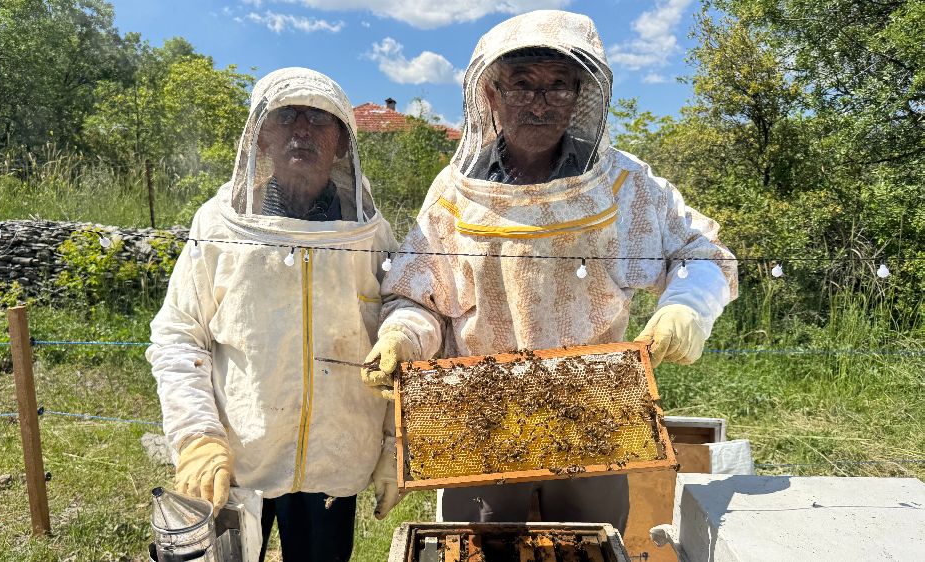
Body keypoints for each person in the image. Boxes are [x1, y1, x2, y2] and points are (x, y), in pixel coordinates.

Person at [361, 10, 738, 530]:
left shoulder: (624, 185)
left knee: (589, 540)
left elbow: (705, 255)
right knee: (486, 542)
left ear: (581, 95)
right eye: (521, 84)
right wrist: (402, 335)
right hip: (481, 416)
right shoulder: (453, 194)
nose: (539, 102)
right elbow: (419, 298)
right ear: (491, 95)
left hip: (597, 411)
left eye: (558, 85)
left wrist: (686, 308)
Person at [147, 67, 399, 562]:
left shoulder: (371, 236)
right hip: (240, 463)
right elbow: (179, 335)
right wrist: (197, 436)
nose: (302, 130)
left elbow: (395, 348)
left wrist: (395, 446)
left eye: (319, 120)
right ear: (260, 134)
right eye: (287, 116)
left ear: (343, 143)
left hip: (337, 459)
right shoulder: (218, 224)